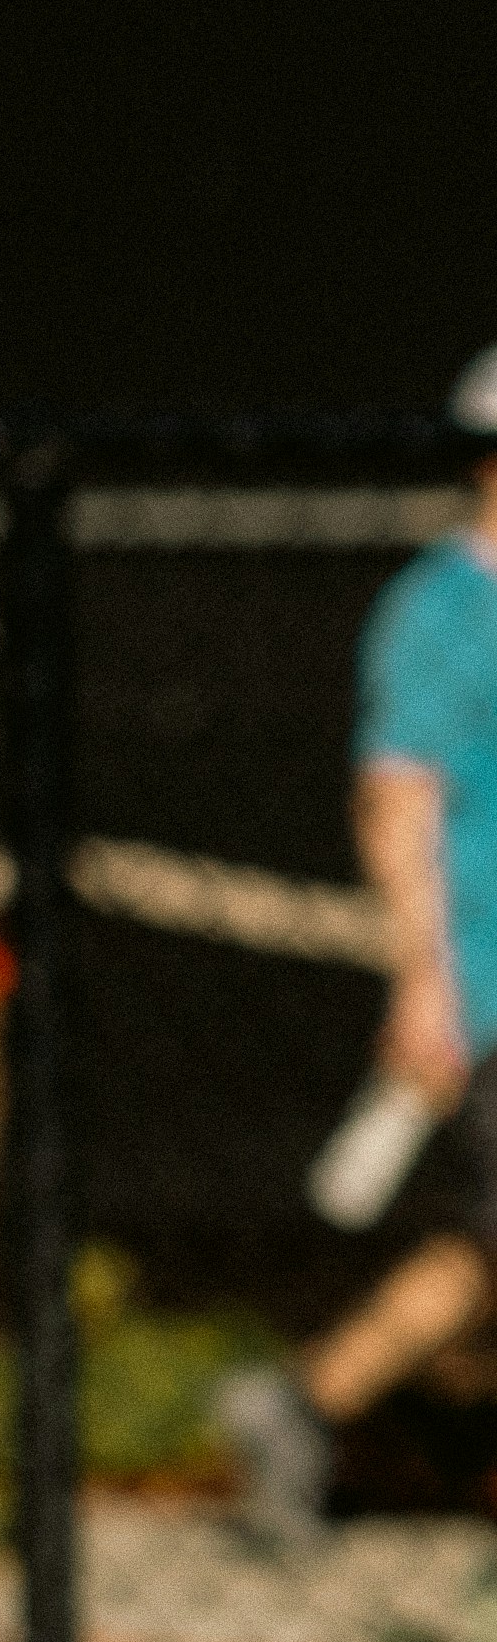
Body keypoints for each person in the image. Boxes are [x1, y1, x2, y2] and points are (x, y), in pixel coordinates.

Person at [222, 347, 497, 1539]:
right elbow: (398, 804)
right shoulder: (439, 610)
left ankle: (301, 1401)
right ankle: (305, 1402)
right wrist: (427, 986)